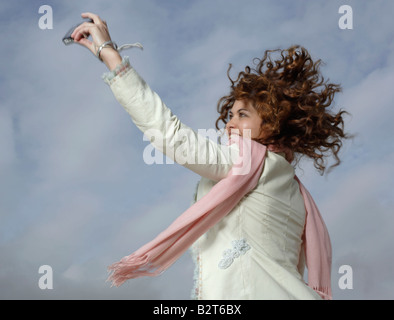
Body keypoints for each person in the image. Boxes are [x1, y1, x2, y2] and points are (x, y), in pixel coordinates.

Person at [71, 12, 349, 300]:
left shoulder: (249, 161)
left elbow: (170, 134)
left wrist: (110, 54)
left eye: (242, 115)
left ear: (273, 124)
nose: (229, 124)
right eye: (230, 115)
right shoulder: (293, 189)